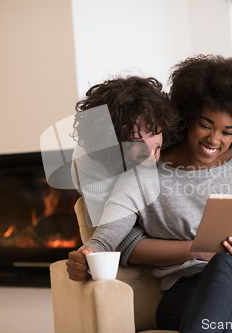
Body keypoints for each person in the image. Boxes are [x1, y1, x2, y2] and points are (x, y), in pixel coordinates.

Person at [68, 55, 232, 332]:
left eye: (226, 132)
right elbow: (106, 238)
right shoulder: (135, 177)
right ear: (187, 119)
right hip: (184, 289)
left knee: (224, 265)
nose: (214, 139)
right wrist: (85, 254)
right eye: (206, 125)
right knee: (223, 318)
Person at [67, 75, 178, 281]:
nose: (148, 149)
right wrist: (198, 249)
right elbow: (116, 240)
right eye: (133, 141)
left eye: (153, 132)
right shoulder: (91, 160)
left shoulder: (175, 130)